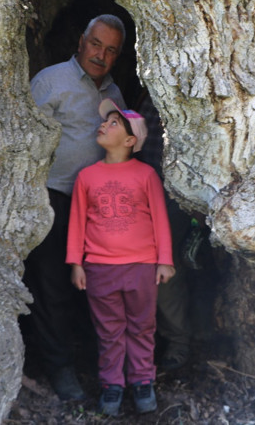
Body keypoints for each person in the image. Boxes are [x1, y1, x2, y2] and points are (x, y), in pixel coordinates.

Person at [24, 14, 127, 401]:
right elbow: (24, 140)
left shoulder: (115, 95)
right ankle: (60, 367)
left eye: (111, 50)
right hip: (54, 198)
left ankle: (97, 362)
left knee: (96, 286)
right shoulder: (51, 82)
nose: (101, 55)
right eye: (96, 44)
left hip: (99, 207)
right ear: (81, 40)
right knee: (52, 284)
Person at [67, 99, 175, 416]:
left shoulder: (146, 175)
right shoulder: (86, 177)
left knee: (142, 327)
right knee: (109, 330)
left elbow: (160, 219)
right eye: (105, 121)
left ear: (130, 141)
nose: (104, 125)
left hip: (141, 266)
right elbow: (77, 221)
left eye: (114, 123)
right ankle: (112, 385)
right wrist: (76, 262)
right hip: (99, 268)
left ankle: (143, 381)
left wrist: (164, 259)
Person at [134, 91, 194, 370]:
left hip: (175, 195)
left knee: (165, 265)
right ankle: (141, 344)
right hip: (141, 191)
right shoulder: (150, 97)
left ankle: (178, 341)